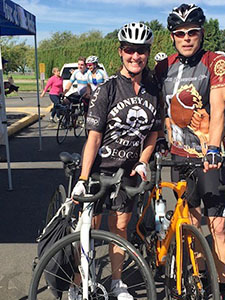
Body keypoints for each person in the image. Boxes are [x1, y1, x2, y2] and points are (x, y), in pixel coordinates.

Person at [70, 22, 161, 300]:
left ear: (148, 52)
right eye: (130, 50)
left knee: (120, 228)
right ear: (121, 52)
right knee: (89, 229)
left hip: (128, 173)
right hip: (100, 170)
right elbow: (94, 138)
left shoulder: (152, 90)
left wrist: (143, 161)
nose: (136, 56)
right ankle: (77, 282)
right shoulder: (107, 89)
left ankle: (117, 282)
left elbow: (153, 133)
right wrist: (84, 178)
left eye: (142, 50)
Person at [155, 4, 225, 299]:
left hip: (207, 157)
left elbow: (220, 105)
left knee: (219, 225)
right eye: (179, 33)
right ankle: (201, 280)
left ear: (201, 33)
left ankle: (221, 288)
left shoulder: (215, 62)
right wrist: (161, 138)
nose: (186, 38)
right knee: (192, 223)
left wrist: (213, 148)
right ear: (173, 36)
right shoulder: (165, 67)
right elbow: (162, 106)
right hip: (178, 157)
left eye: (192, 32)